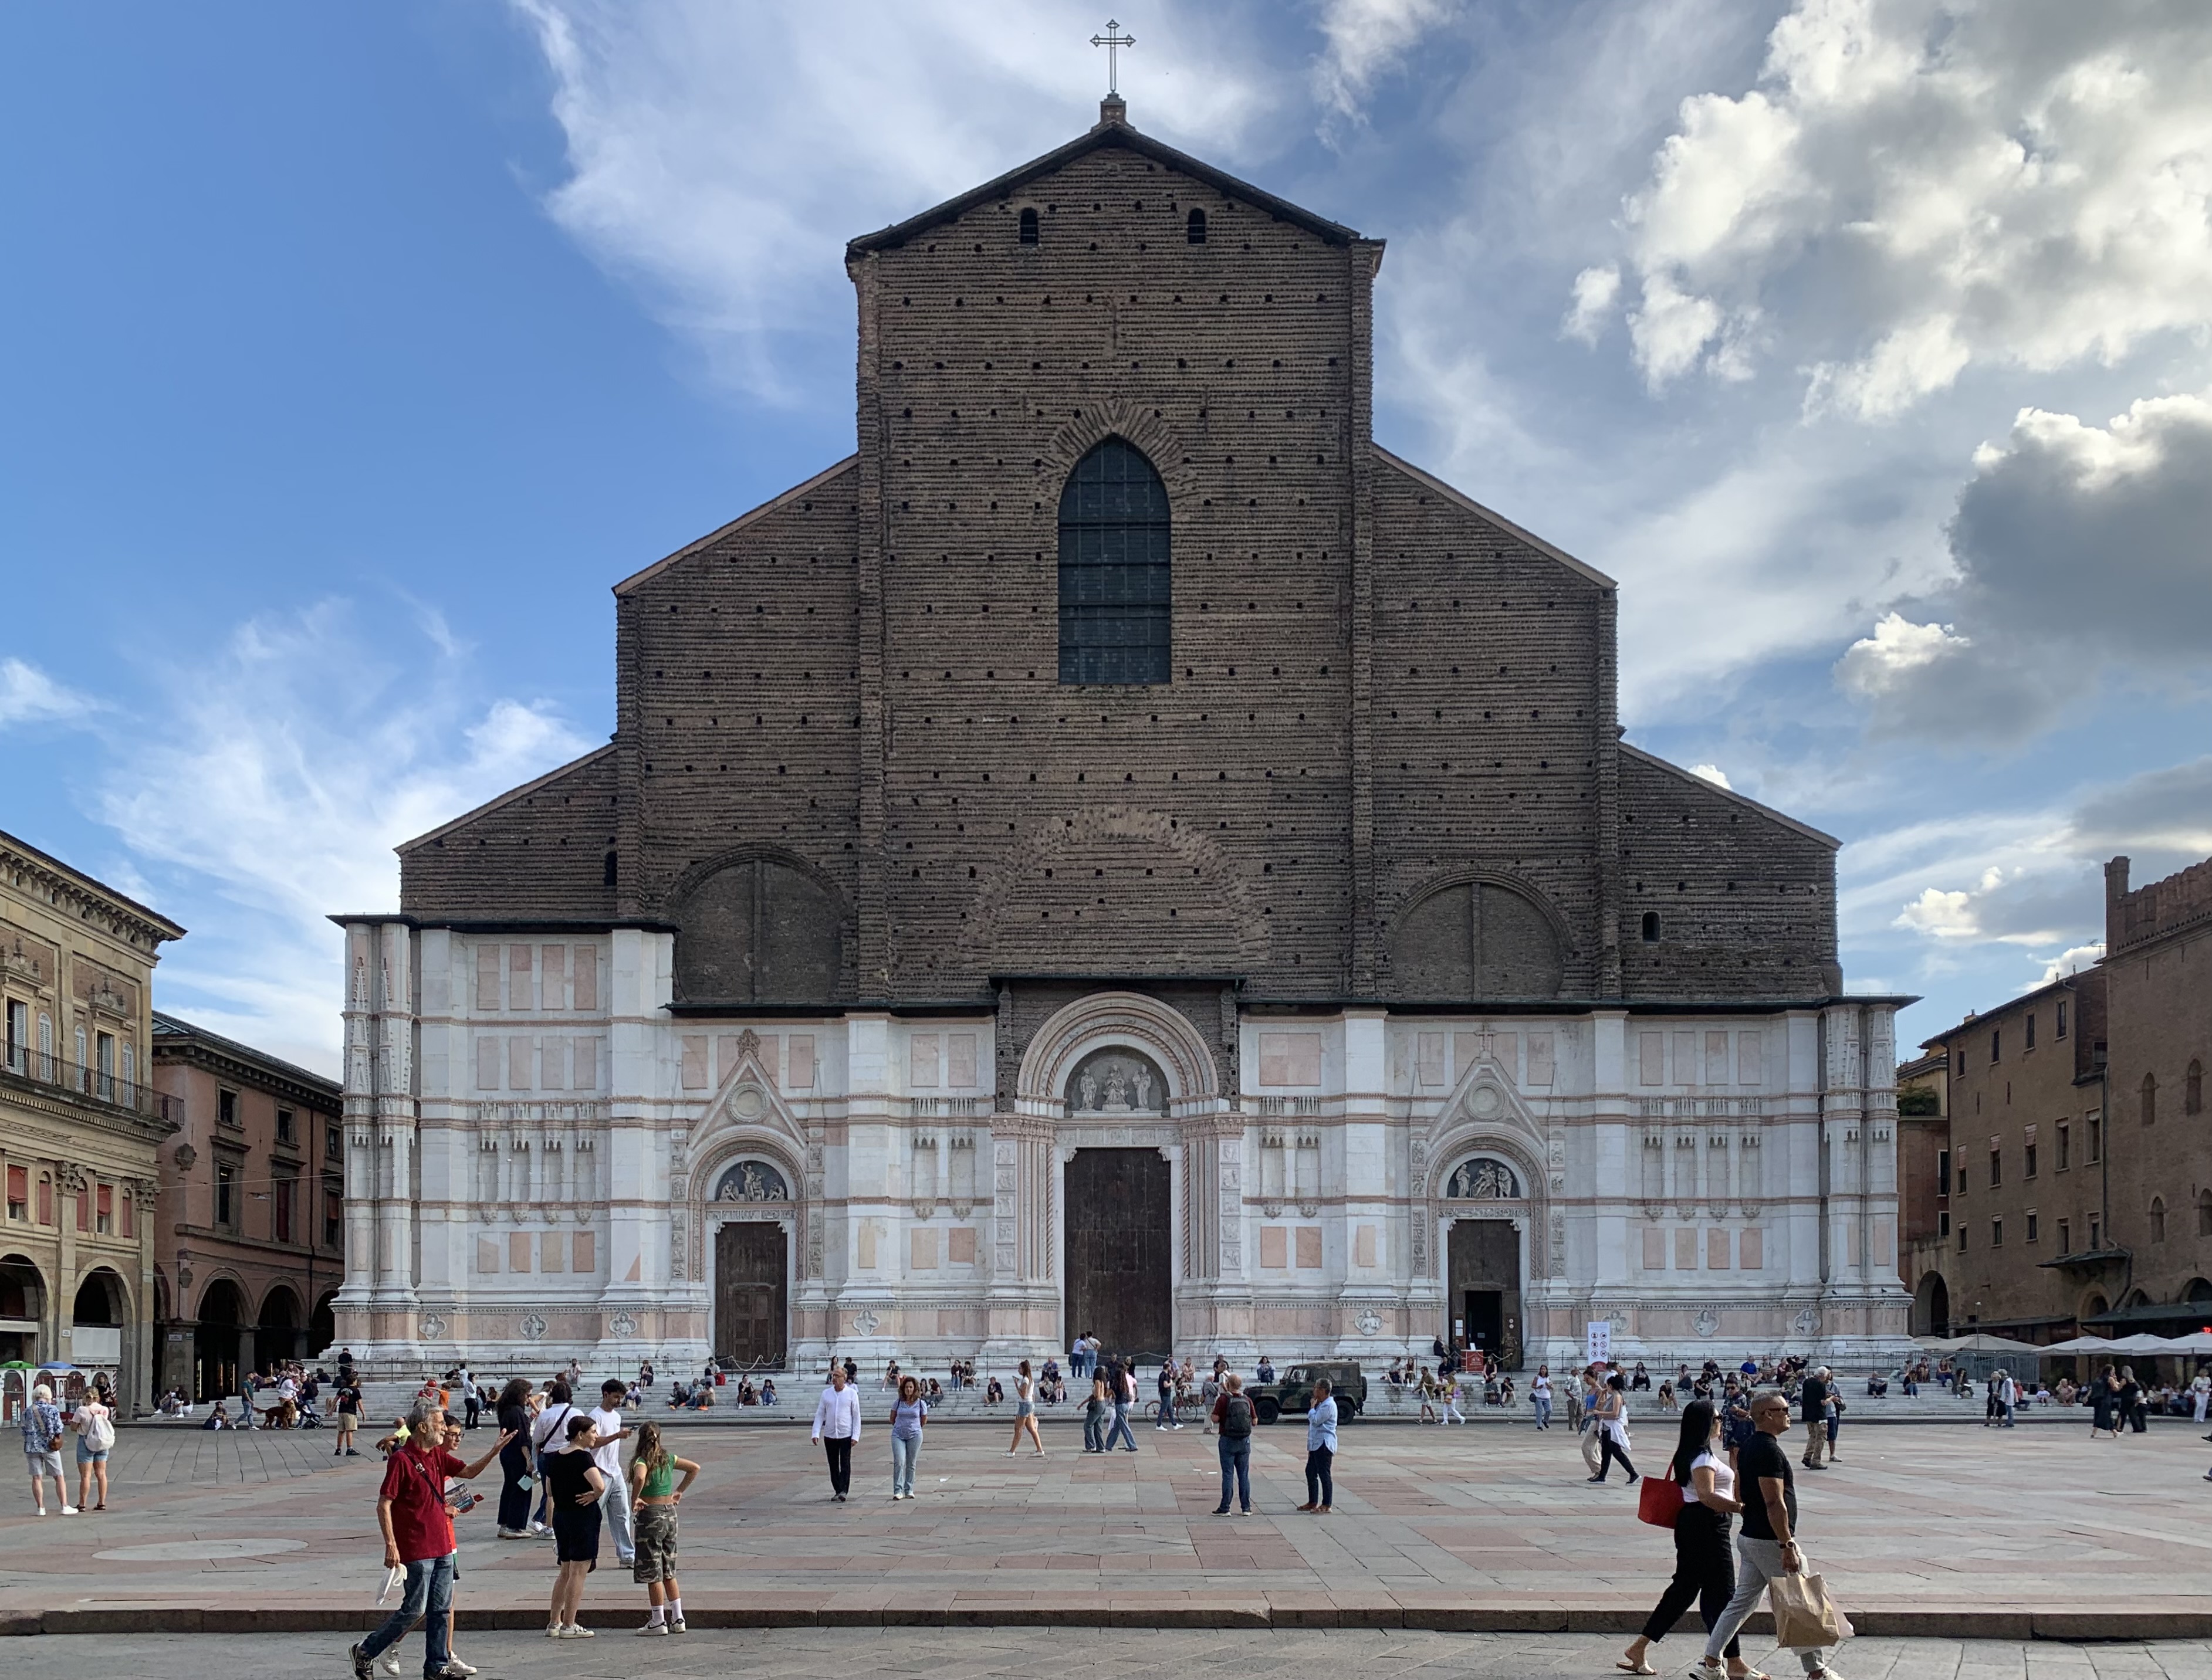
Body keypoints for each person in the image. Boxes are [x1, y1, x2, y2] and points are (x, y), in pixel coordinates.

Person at [347, 1400, 512, 1679]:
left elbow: (469, 1472)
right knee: (415, 1609)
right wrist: (391, 1545)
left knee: (441, 1610)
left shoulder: (437, 1454)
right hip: (416, 1546)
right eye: (440, 1424)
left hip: (443, 1545)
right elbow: (384, 1503)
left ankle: (436, 1667)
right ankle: (366, 1650)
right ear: (423, 1427)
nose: (445, 1429)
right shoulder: (401, 1460)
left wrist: (494, 1451)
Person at [1699, 1390, 1842, 1679]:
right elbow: (1774, 1501)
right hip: (1770, 1540)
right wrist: (1786, 1544)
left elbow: (1740, 1489)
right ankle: (1817, 1672)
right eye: (1784, 1410)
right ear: (1767, 1415)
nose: (1789, 1414)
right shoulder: (1768, 1451)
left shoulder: (1749, 1446)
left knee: (1742, 1602)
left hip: (1751, 1536)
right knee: (1800, 1602)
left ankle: (1710, 1663)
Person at [1618, 1400, 1750, 1678]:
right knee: (1722, 1593)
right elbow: (1707, 1496)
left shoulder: (1695, 1453)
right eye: (1717, 1418)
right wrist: (1741, 1508)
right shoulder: (1702, 1458)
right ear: (1705, 1423)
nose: (1721, 1423)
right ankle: (1733, 1662)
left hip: (1698, 1525)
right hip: (1707, 1526)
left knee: (1689, 1590)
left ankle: (1640, 1647)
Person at [628, 1420, 698, 1634]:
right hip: (670, 1514)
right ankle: (678, 1618)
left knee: (652, 1570)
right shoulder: (668, 1458)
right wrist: (679, 1491)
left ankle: (658, 1620)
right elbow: (694, 1468)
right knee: (669, 1569)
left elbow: (639, 1478)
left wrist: (635, 1499)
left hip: (651, 1515)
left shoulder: (642, 1461)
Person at [543, 1414, 603, 1637]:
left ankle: (554, 1623)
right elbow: (600, 1486)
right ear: (580, 1435)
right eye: (593, 1432)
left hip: (562, 1516)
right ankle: (569, 1624)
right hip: (582, 1517)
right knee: (579, 1572)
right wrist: (593, 1496)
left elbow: (549, 1491)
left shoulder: (554, 1457)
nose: (596, 1436)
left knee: (565, 1571)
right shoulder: (583, 1458)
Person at [587, 1380, 635, 1568]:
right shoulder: (595, 1416)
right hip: (599, 1473)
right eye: (616, 1397)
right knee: (591, 1516)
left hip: (615, 1472)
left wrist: (620, 1435)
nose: (619, 1401)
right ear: (605, 1394)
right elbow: (593, 1443)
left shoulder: (616, 1417)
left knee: (622, 1514)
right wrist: (617, 1436)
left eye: (621, 1398)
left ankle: (627, 1556)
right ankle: (574, 1550)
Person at [529, 1381, 577, 1535]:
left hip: (548, 1456)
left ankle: (546, 1521)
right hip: (569, 1455)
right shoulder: (576, 1413)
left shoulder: (545, 1415)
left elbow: (537, 1439)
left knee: (548, 1492)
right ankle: (545, 1520)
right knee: (567, 1491)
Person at [493, 1378, 537, 1538]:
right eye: (528, 1395)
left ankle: (505, 1524)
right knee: (523, 1488)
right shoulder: (517, 1411)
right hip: (519, 1455)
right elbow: (522, 1439)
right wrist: (529, 1460)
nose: (529, 1399)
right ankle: (515, 1526)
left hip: (507, 1453)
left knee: (510, 1487)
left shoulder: (506, 1409)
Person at [21, 1382, 72, 1516]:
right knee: (59, 1476)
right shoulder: (52, 1409)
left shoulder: (27, 1411)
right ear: (48, 1395)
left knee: (37, 1478)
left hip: (32, 1447)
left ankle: (41, 1508)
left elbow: (23, 1430)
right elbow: (58, 1428)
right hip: (49, 1446)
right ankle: (64, 1506)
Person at [812, 1364, 861, 1501]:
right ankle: (838, 1489)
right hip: (830, 1434)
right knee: (833, 1464)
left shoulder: (851, 1394)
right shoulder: (826, 1394)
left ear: (844, 1378)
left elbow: (856, 1416)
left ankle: (844, 1490)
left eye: (837, 1376)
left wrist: (856, 1435)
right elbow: (820, 1414)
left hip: (846, 1434)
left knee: (845, 1462)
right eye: (833, 1375)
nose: (834, 1378)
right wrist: (815, 1433)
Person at [1211, 1373, 1255, 1515]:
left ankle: (1225, 1508)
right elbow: (1255, 1421)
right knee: (1244, 1475)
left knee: (1228, 1474)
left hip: (1227, 1439)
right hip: (1244, 1441)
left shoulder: (1223, 1399)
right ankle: (1246, 1508)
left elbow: (1215, 1418)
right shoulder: (1247, 1399)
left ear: (1228, 1385)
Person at [72, 1377, 116, 1512]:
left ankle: (82, 1504)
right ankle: (101, 1502)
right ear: (98, 1397)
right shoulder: (104, 1410)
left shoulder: (81, 1410)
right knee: (101, 1474)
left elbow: (73, 1427)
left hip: (86, 1442)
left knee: (86, 1476)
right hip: (102, 1441)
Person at [1591, 1371, 1639, 1484]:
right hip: (1607, 1427)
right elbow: (1598, 1405)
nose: (1606, 1388)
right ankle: (1602, 1476)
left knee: (1617, 1452)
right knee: (1606, 1453)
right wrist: (1602, 1394)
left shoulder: (1617, 1397)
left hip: (1613, 1428)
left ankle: (1633, 1474)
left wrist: (1600, 1413)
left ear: (1611, 1386)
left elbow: (1615, 1414)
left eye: (1607, 1386)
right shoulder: (1612, 1397)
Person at [1298, 1376, 1338, 1514]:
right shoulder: (1321, 1404)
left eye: (1316, 1388)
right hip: (1316, 1444)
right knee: (1310, 1472)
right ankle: (1313, 1501)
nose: (1314, 1390)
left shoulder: (1328, 1405)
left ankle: (1327, 1504)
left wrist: (1311, 1408)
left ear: (1322, 1390)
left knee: (1324, 1474)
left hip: (1324, 1444)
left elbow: (1315, 1421)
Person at [888, 1374, 928, 1499]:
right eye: (907, 1387)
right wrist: (901, 1426)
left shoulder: (921, 1403)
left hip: (915, 1435)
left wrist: (914, 1427)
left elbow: (924, 1420)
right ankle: (898, 1490)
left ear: (915, 1389)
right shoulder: (898, 1402)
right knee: (899, 1462)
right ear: (903, 1389)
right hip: (898, 1435)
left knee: (911, 1463)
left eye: (911, 1387)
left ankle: (909, 1489)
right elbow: (892, 1418)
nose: (909, 1390)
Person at [1006, 1360, 1045, 1458]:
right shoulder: (1030, 1379)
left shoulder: (1025, 1381)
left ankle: (1012, 1451)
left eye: (1020, 1368)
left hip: (1024, 1405)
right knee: (1032, 1429)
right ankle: (1040, 1450)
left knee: (1018, 1428)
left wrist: (1016, 1385)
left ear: (1024, 1369)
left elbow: (1023, 1395)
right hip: (1029, 1404)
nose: (1018, 1370)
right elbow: (1032, 1395)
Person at [1798, 1365, 1831, 1469]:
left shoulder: (1807, 1382)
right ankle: (1816, 1461)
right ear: (1822, 1375)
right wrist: (1831, 1399)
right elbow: (1823, 1402)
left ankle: (1807, 1457)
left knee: (1812, 1436)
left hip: (1808, 1414)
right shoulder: (1820, 1384)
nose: (1826, 1378)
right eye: (1826, 1376)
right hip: (1819, 1415)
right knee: (1821, 1438)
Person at [1102, 1362, 1138, 1452]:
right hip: (1126, 1405)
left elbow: (1108, 1395)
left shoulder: (1116, 1384)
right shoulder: (1125, 1384)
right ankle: (1108, 1445)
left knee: (1124, 1427)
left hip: (1120, 1406)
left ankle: (1133, 1445)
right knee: (1116, 1427)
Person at [1083, 1373, 1110, 1453]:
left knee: (1087, 1425)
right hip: (1103, 1403)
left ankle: (1092, 1445)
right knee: (1098, 1428)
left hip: (1098, 1404)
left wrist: (1092, 1398)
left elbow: (1097, 1395)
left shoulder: (1097, 1381)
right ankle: (1101, 1447)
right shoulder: (1103, 1382)